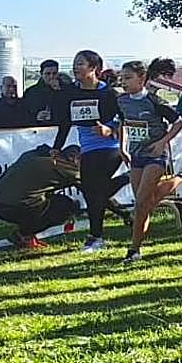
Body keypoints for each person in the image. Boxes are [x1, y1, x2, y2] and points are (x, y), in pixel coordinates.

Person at [52, 50, 129, 254]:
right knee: (93, 190)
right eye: (75, 64)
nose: (76, 68)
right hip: (87, 146)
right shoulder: (70, 92)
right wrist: (57, 148)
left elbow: (123, 118)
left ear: (94, 68)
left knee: (93, 189)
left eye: (81, 64)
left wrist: (109, 129)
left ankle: (96, 237)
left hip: (109, 146)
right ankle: (128, 178)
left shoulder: (108, 93)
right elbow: (65, 122)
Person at [117, 58, 182, 263]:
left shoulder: (154, 101)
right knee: (144, 203)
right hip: (136, 155)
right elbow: (122, 123)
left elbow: (178, 123)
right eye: (122, 78)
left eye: (128, 78)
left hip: (156, 155)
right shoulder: (121, 100)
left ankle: (133, 250)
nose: (124, 82)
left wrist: (162, 142)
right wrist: (122, 147)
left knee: (140, 204)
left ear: (142, 78)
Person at [0, 144, 82, 248]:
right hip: (17, 207)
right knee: (68, 206)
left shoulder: (31, 154)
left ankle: (27, 235)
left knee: (42, 200)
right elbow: (91, 190)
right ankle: (24, 235)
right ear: (72, 158)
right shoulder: (65, 166)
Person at [24, 60, 65, 126]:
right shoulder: (31, 92)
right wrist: (36, 117)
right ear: (41, 74)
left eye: (54, 73)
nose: (51, 77)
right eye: (48, 74)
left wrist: (59, 92)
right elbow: (24, 114)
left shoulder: (67, 90)